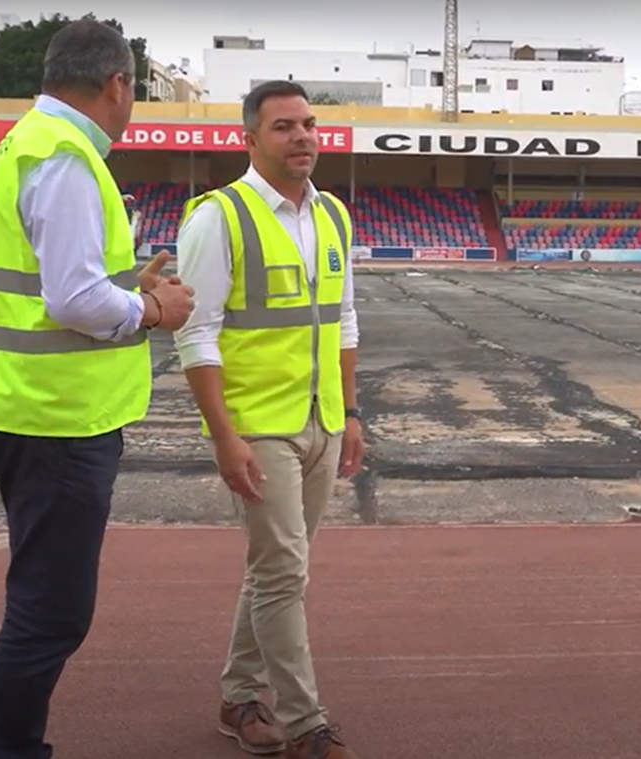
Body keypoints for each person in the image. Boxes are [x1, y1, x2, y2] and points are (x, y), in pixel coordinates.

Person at [0, 18, 195, 759]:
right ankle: (9, 749)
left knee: (42, 598)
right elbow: (71, 303)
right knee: (52, 610)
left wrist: (129, 285)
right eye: (136, 90)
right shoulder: (64, 157)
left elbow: (57, 285)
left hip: (20, 402)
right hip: (54, 417)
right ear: (117, 83)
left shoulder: (27, 143)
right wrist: (154, 309)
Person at [174, 79, 365, 759]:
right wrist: (224, 435)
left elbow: (341, 318)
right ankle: (307, 720)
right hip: (258, 424)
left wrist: (352, 411)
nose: (304, 136)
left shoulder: (334, 216)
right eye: (285, 126)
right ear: (249, 138)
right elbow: (195, 333)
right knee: (285, 568)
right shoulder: (217, 218)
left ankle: (238, 695)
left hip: (323, 419)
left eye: (310, 124)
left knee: (276, 564)